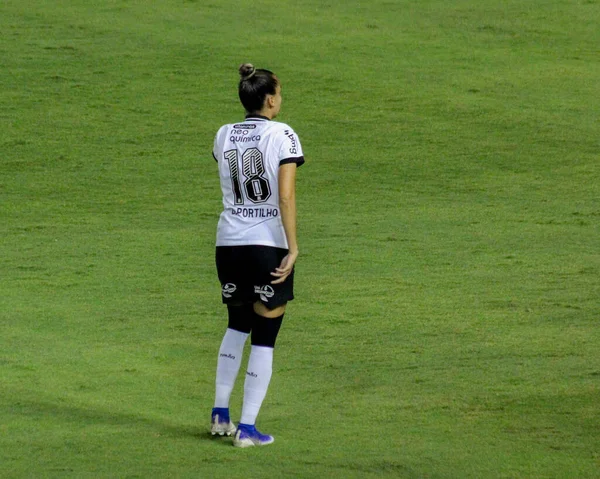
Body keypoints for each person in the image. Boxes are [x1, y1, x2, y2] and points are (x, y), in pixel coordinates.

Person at [210, 63, 304, 447]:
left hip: (228, 244)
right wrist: (293, 247)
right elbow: (284, 196)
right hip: (267, 245)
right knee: (264, 336)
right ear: (270, 99)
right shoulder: (283, 134)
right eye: (279, 93)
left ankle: (220, 414)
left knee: (236, 326)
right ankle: (247, 429)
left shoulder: (223, 134)